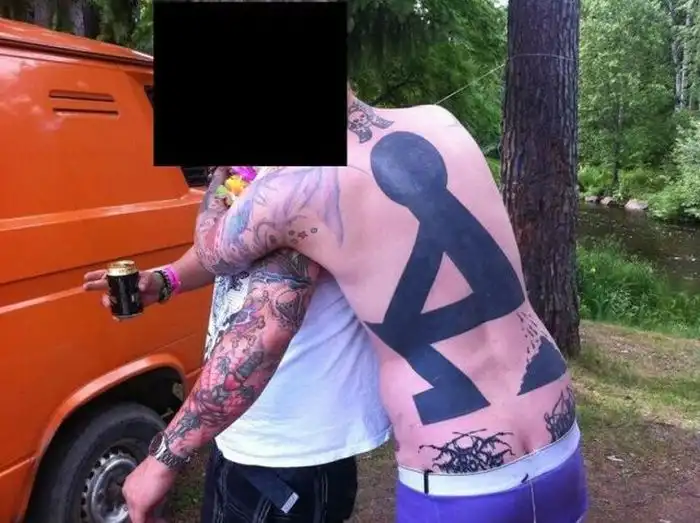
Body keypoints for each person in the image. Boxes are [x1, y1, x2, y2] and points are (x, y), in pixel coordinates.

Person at [120, 87, 590, 522]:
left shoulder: (292, 190)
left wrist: (220, 177)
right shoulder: (441, 122)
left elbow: (215, 251)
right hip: (556, 430)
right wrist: (167, 279)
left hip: (459, 468)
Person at [83, 207, 391, 523]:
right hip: (238, 429)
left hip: (291, 449)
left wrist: (164, 457)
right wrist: (166, 279)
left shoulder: (305, 191)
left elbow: (265, 329)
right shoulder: (248, 183)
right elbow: (220, 245)